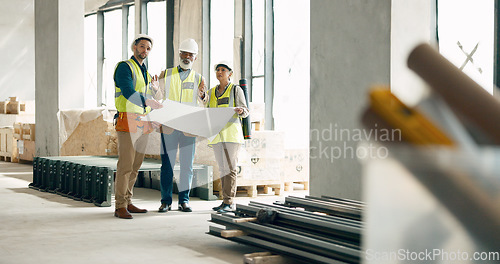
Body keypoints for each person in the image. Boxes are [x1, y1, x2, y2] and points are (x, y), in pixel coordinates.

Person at [113, 34, 163, 219]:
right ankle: (119, 206)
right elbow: (128, 92)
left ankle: (128, 201)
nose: (145, 51)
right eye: (142, 47)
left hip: (144, 122)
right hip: (127, 120)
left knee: (136, 165)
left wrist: (156, 91)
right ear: (134, 47)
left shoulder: (146, 73)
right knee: (125, 164)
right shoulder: (124, 67)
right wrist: (149, 99)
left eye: (148, 48)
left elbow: (151, 100)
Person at [157, 38, 207, 213]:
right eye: (184, 53)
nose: (187, 56)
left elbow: (203, 103)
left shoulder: (199, 78)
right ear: (179, 54)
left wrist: (203, 97)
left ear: (195, 57)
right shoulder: (166, 74)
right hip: (169, 126)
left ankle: (184, 201)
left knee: (187, 166)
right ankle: (165, 201)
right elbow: (156, 97)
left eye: (190, 54)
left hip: (188, 128)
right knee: (167, 166)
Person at [207, 61, 249, 213]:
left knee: (230, 169)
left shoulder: (235, 90)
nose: (219, 72)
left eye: (223, 70)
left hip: (231, 135)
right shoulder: (212, 92)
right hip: (217, 136)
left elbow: (245, 111)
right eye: (217, 69)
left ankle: (229, 202)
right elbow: (208, 112)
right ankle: (224, 200)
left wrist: (240, 111)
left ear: (230, 73)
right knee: (223, 168)